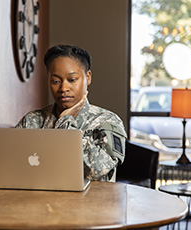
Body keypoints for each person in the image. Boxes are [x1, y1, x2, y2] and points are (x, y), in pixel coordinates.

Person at [16, 44, 127, 181]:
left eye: (72, 80)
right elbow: (11, 164)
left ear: (88, 77)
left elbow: (98, 170)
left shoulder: (107, 121)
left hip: (91, 201)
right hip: (36, 199)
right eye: (55, 81)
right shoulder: (32, 120)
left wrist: (66, 121)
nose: (63, 88)